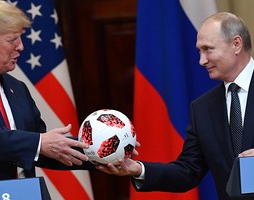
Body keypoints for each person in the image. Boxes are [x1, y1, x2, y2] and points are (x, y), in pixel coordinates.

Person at [97, 12, 254, 200]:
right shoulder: (203, 109)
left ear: (236, 44)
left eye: (208, 49)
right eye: (199, 51)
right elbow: (187, 171)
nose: (202, 61)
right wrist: (137, 169)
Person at [0, 0, 93, 183]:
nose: (21, 46)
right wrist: (39, 143)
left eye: (21, 37)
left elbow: (43, 147)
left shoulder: (17, 88)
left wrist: (101, 153)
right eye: (12, 39)